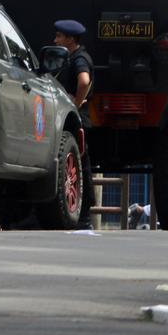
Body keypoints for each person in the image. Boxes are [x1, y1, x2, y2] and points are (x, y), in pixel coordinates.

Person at [53, 19, 95, 230]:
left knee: (80, 166)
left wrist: (75, 104)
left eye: (59, 36)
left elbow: (84, 81)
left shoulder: (79, 58)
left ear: (70, 39)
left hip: (80, 119)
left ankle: (84, 214)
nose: (56, 39)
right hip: (77, 118)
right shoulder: (70, 57)